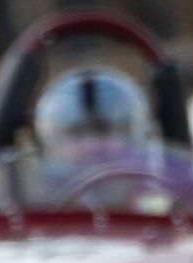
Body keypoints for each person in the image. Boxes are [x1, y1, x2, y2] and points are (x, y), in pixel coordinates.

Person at [33, 67, 156, 195]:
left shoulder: (158, 185)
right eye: (77, 134)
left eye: (104, 131)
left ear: (132, 131)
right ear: (54, 139)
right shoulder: (40, 194)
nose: (93, 145)